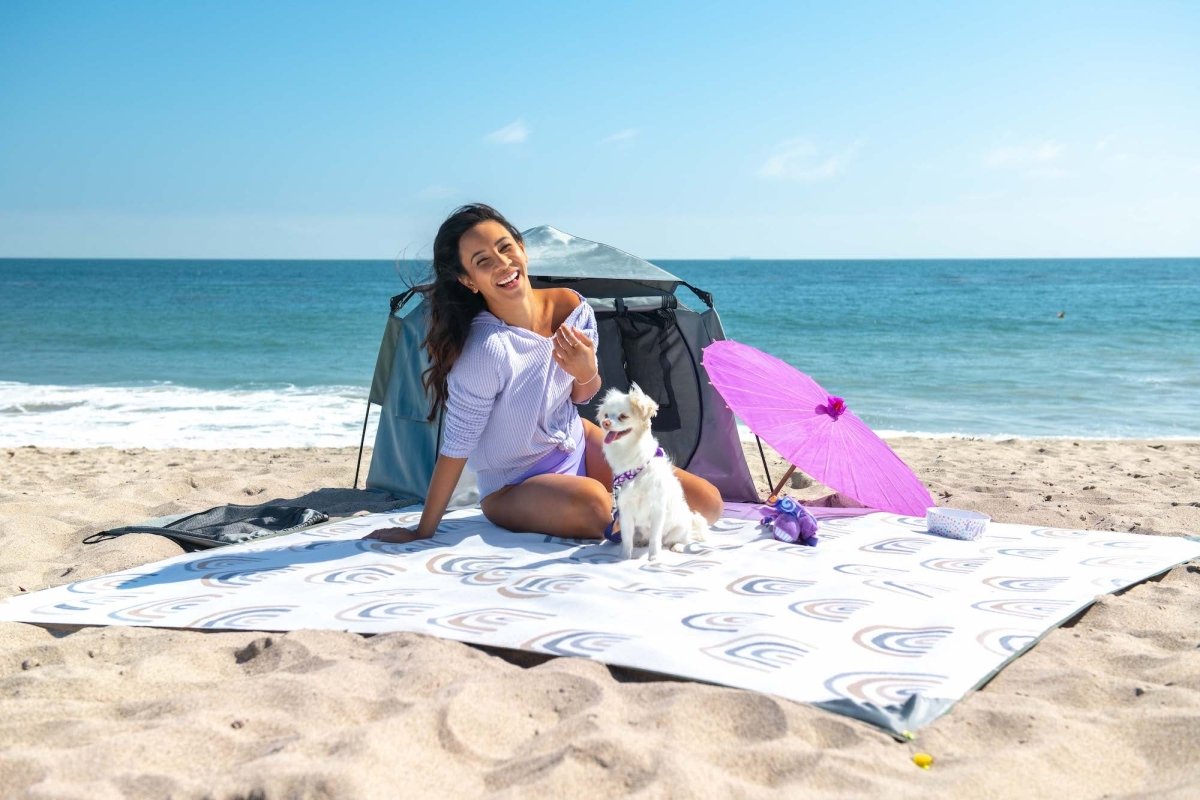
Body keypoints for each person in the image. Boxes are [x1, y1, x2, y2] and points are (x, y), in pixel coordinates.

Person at [366, 204, 722, 544]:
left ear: (522, 248)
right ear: (468, 280)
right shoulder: (486, 350)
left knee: (707, 503)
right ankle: (626, 516)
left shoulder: (573, 308)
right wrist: (423, 529)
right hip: (514, 484)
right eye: (483, 261)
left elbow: (582, 395)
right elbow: (457, 446)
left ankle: (631, 514)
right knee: (595, 505)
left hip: (578, 443)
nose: (503, 264)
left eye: (506, 248)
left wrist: (587, 372)